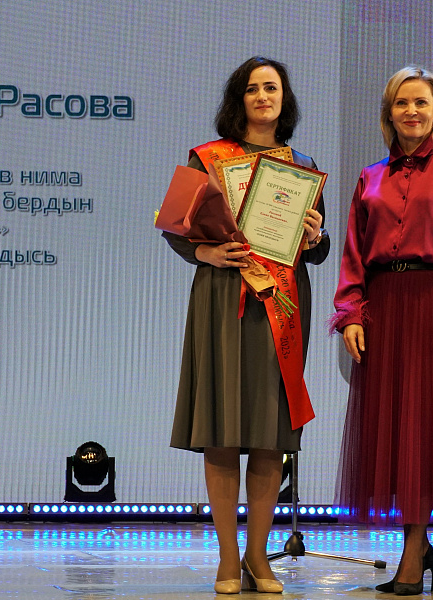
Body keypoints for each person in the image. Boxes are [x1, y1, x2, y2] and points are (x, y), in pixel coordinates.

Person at [163, 56, 329, 595]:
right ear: (239, 99)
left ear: (284, 99)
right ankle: (228, 558)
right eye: (253, 89)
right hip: (222, 298)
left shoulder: (303, 166)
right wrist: (206, 252)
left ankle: (259, 556)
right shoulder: (206, 157)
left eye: (272, 88)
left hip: (281, 305)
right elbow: (173, 227)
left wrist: (316, 237)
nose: (263, 96)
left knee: (268, 432)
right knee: (223, 427)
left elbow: (317, 247)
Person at [330, 65, 433, 596]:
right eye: (402, 103)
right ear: (389, 112)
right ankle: (417, 547)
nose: (412, 111)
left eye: (421, 102)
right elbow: (353, 253)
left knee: (424, 433)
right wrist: (351, 312)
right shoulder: (369, 177)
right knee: (394, 435)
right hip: (384, 308)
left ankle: (412, 556)